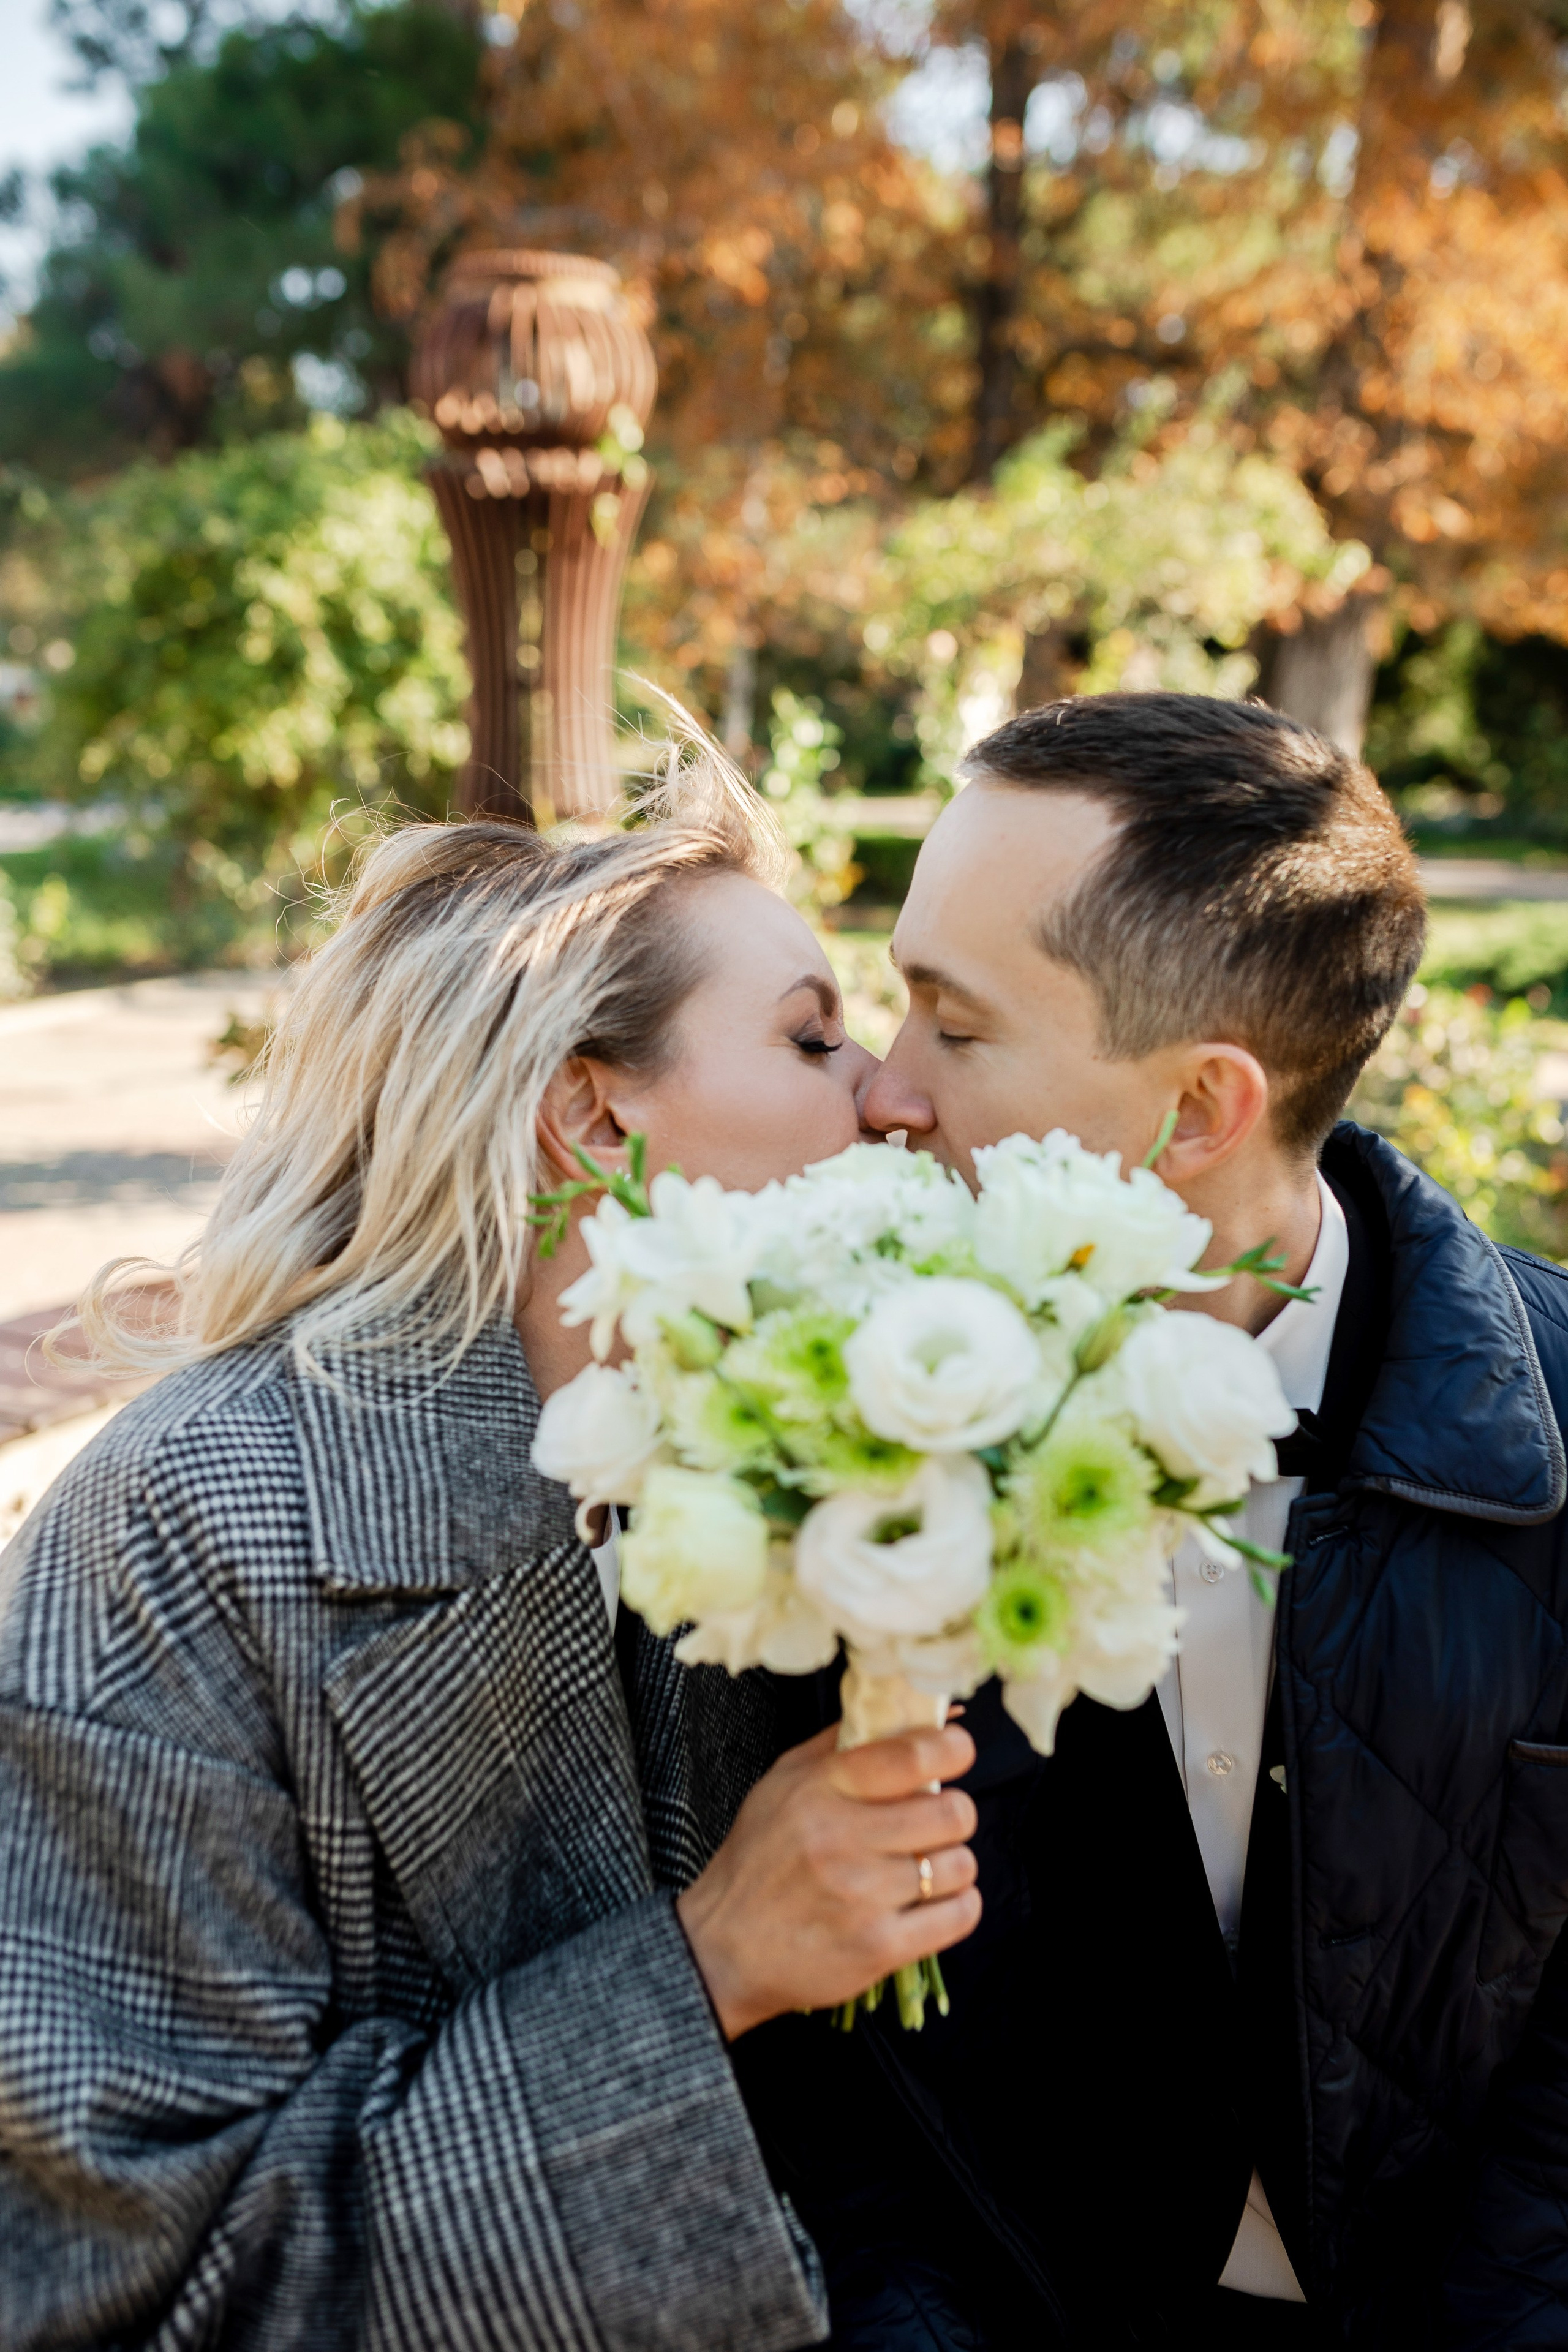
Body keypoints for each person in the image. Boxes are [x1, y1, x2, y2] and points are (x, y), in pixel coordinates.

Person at [0, 762, 982, 2349]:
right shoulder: (181, 1528)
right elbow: (120, 2285)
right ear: (590, 1112)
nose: (881, 1094)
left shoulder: (799, 1465)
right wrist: (709, 1962)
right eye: (812, 1037)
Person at [739, 690, 1568, 2349]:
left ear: (1197, 1111)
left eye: (954, 1029)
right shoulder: (828, 1430)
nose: (887, 1096)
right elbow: (844, 2103)